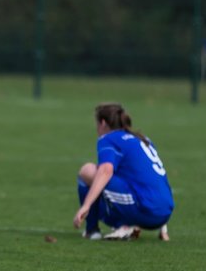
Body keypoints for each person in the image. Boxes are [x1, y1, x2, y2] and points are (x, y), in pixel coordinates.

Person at [73, 104, 174, 248]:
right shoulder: (143, 138)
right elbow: (152, 178)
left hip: (145, 211)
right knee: (117, 179)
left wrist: (86, 205)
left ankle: (93, 230)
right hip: (164, 212)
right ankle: (130, 225)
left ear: (102, 123)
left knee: (87, 171)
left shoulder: (108, 139)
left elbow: (106, 170)